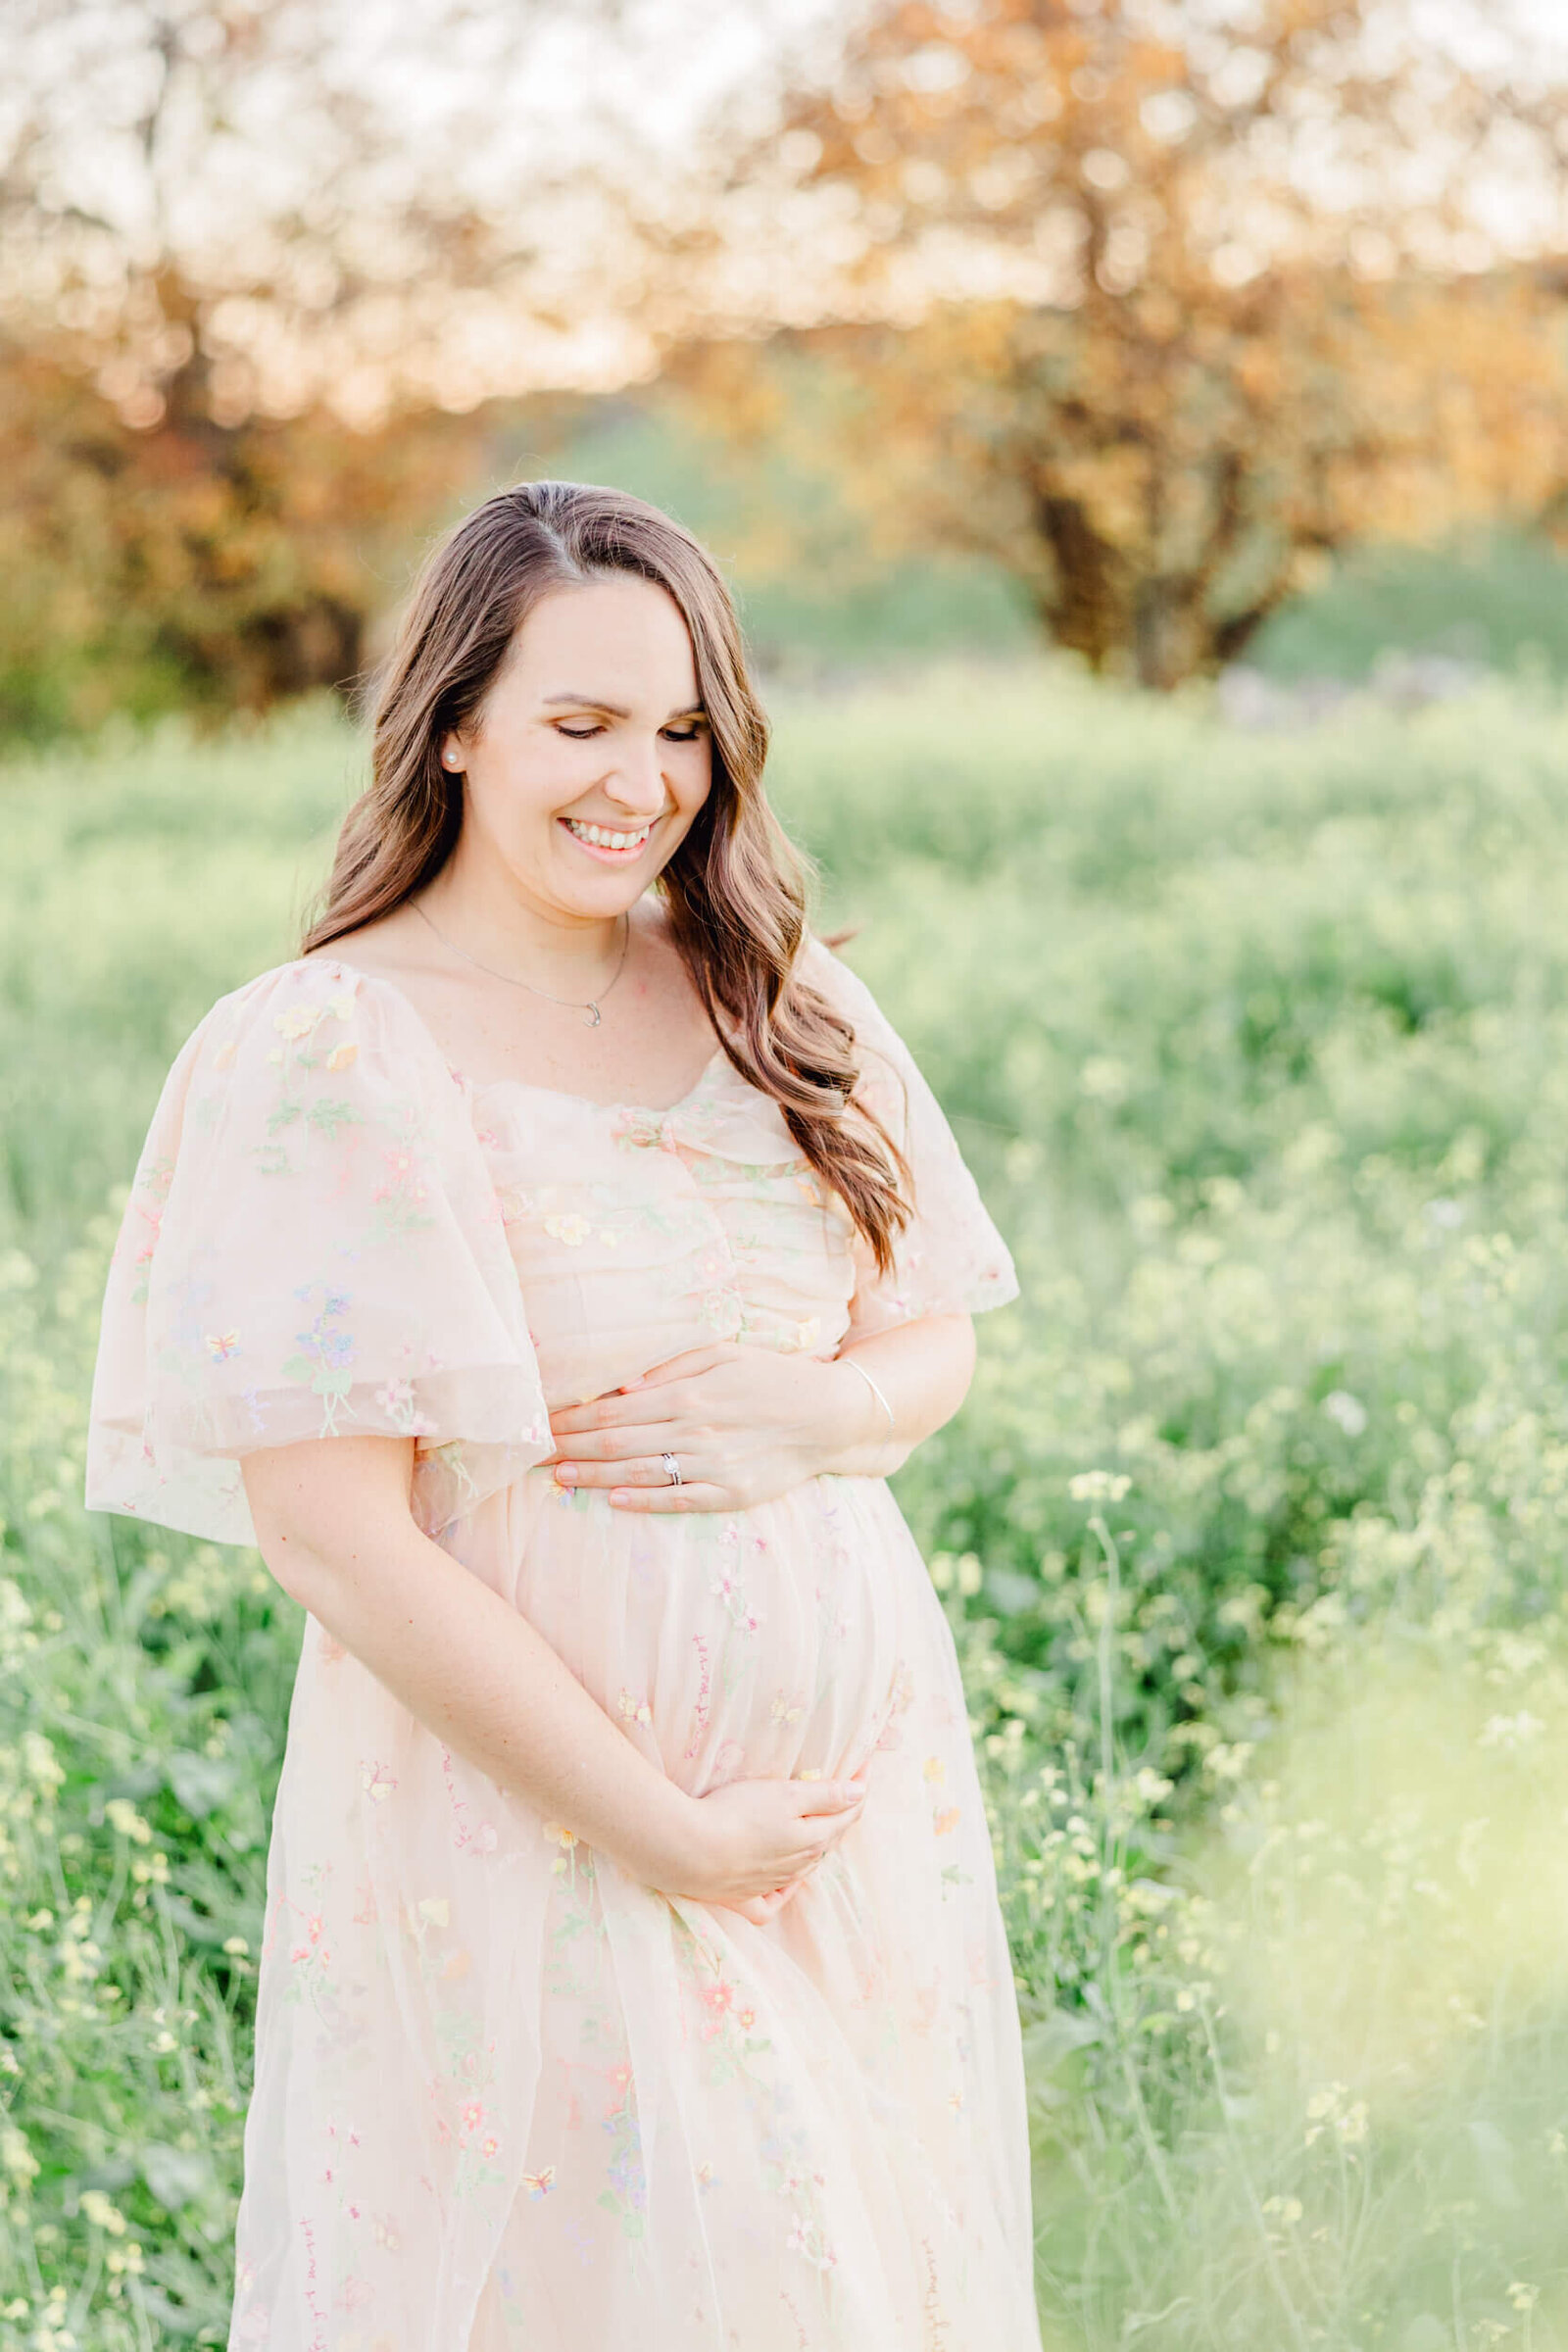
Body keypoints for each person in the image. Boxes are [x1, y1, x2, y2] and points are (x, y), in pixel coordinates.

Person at [86, 481, 1042, 2351]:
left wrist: (821, 1415)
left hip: (847, 1843)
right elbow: (333, 1535)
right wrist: (666, 1831)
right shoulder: (334, 1045)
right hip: (533, 1842)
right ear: (452, 725)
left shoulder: (787, 1001)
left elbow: (935, 1342)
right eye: (581, 725)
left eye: (684, 728)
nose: (643, 781)